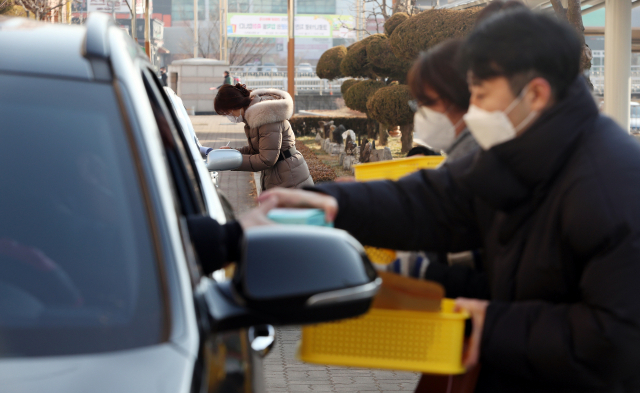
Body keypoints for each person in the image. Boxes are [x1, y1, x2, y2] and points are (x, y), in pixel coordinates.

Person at [260, 9, 640, 392]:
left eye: (481, 94)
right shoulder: (522, 154)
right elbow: (432, 202)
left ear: (537, 94)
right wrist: (331, 203)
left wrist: (491, 323)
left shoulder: (608, 187)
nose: (473, 110)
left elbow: (616, 337)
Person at [214, 83, 313, 190]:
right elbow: (257, 149)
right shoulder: (254, 116)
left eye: (227, 112)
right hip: (281, 174)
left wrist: (231, 161)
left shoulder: (266, 115)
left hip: (290, 178)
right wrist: (232, 152)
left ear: (235, 105)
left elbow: (266, 159)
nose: (229, 116)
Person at [409, 39, 479, 161]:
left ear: (458, 96)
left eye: (427, 102)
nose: (421, 112)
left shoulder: (472, 160)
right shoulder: (465, 152)